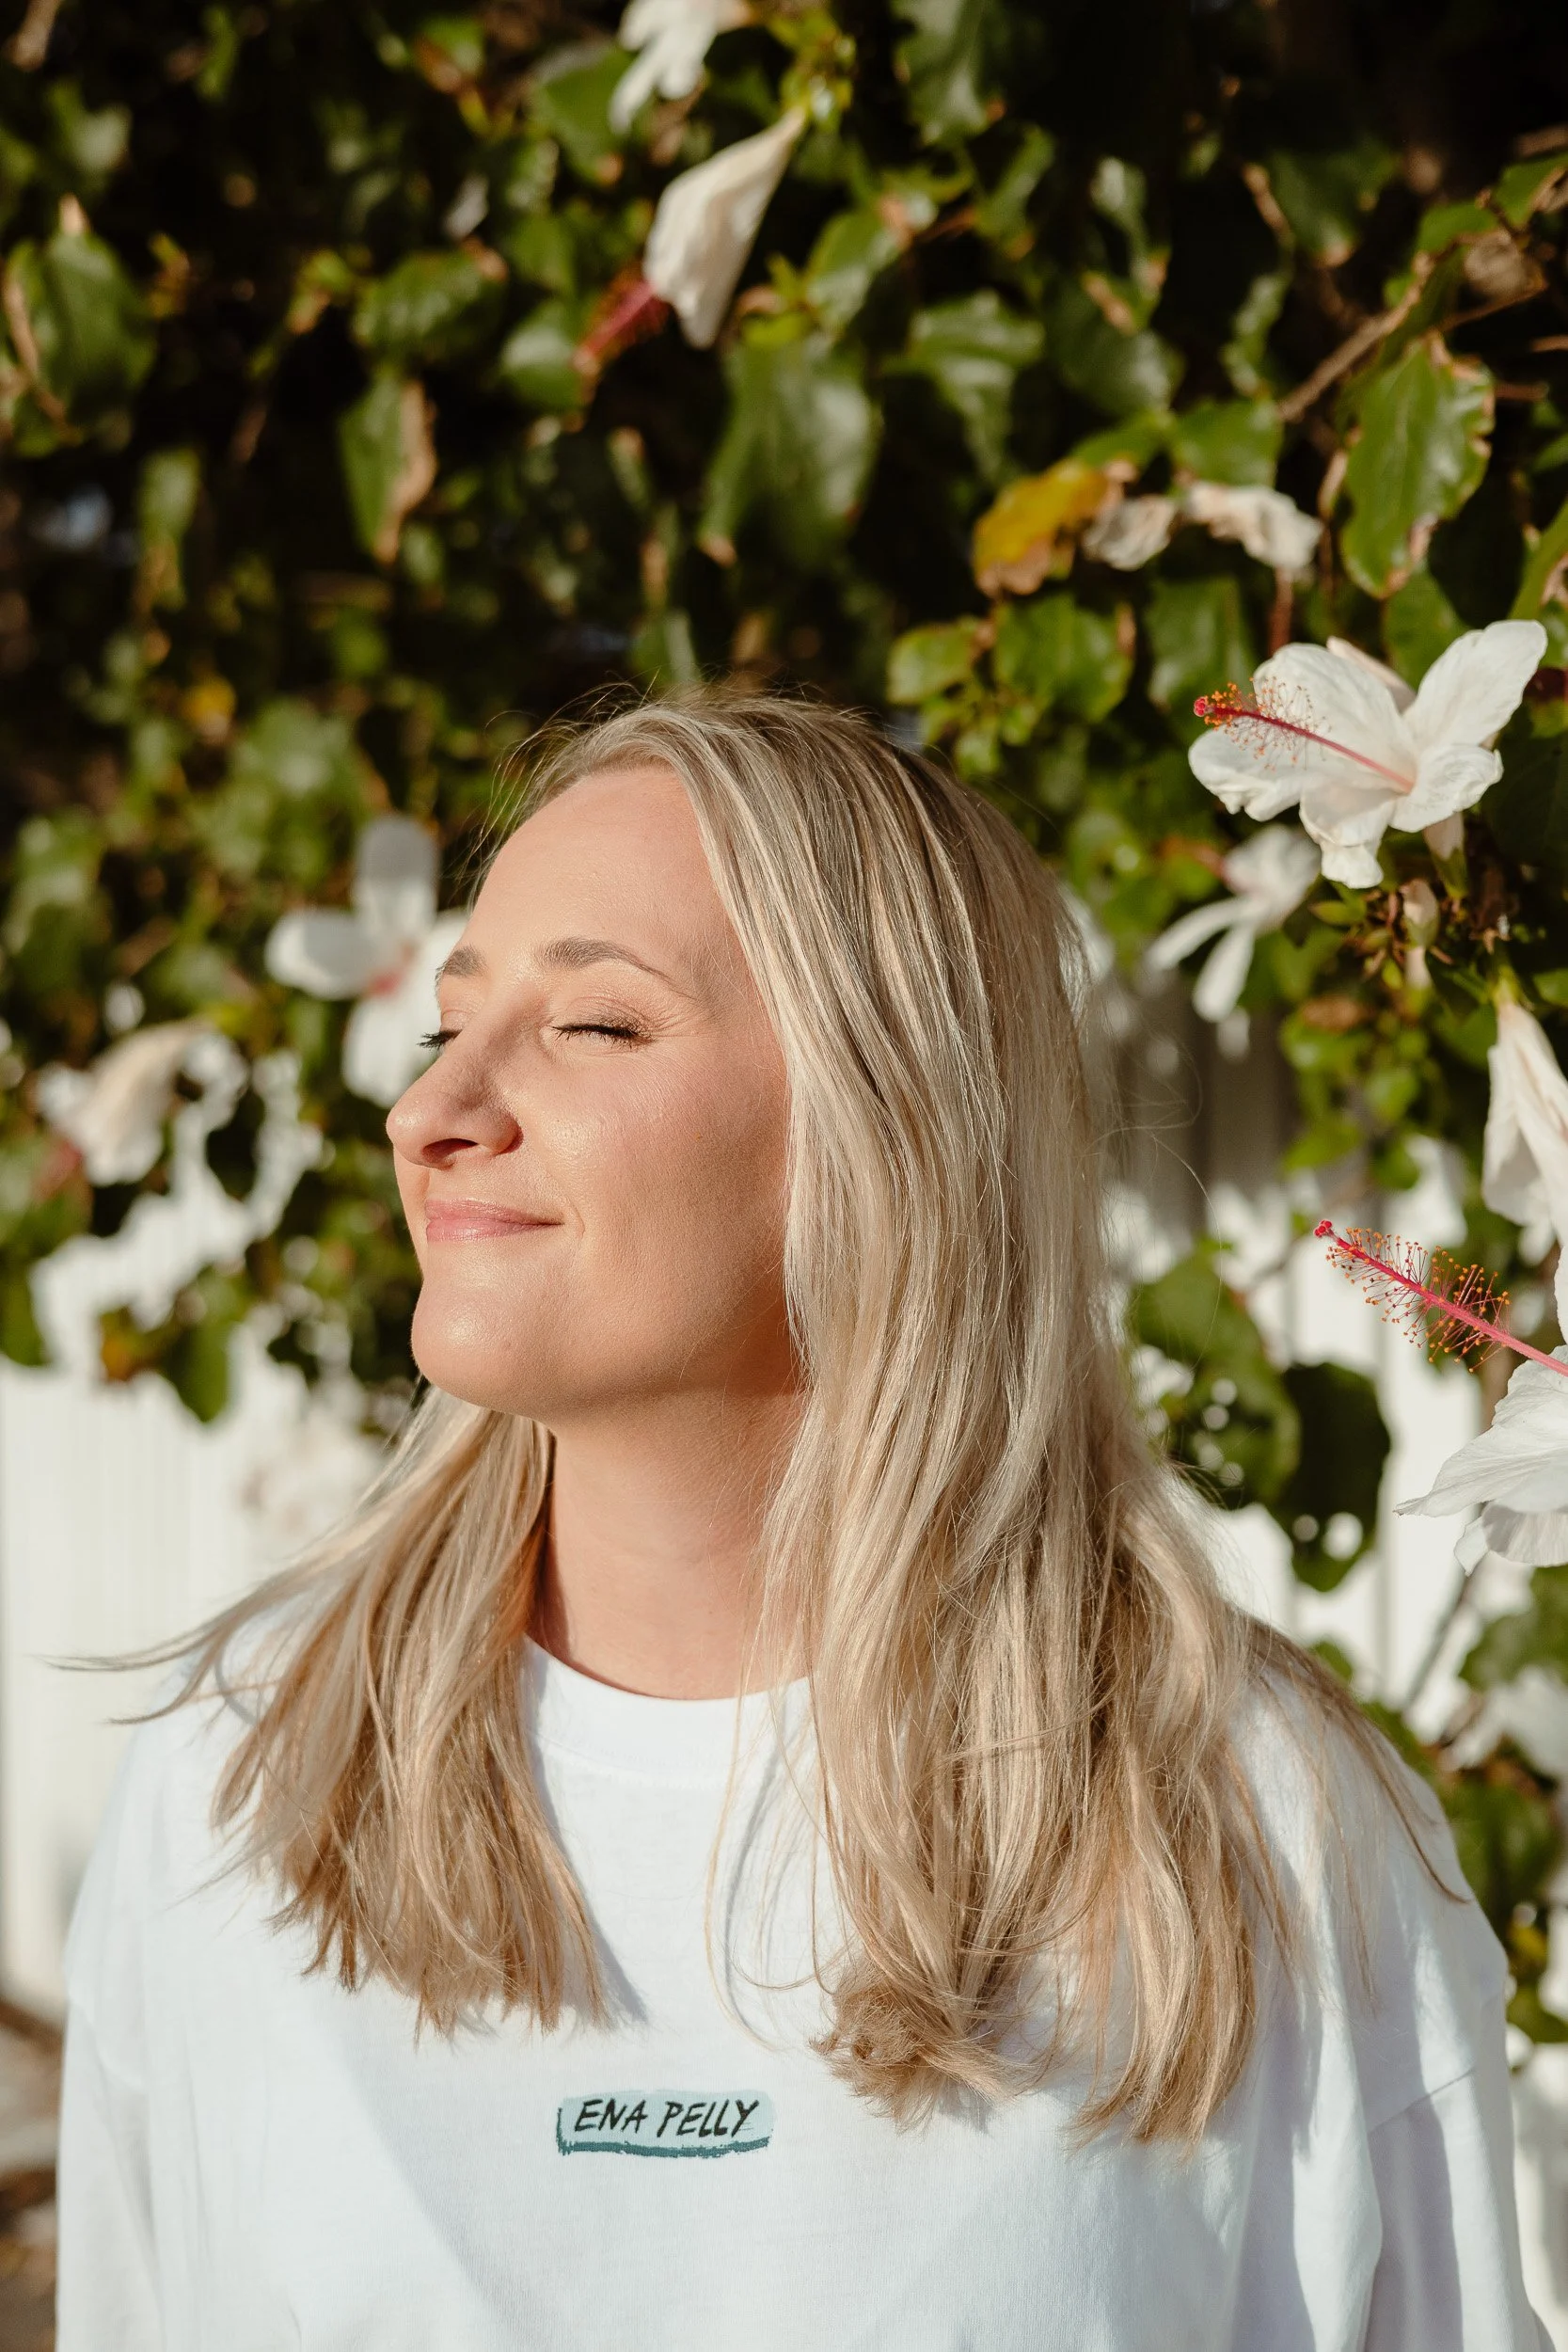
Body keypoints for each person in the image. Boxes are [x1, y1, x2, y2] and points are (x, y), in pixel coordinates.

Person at [56, 691, 1546, 2350]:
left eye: (594, 1025)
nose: (429, 1115)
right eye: (444, 1029)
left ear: (885, 1118)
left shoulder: (1255, 1826)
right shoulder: (243, 1779)